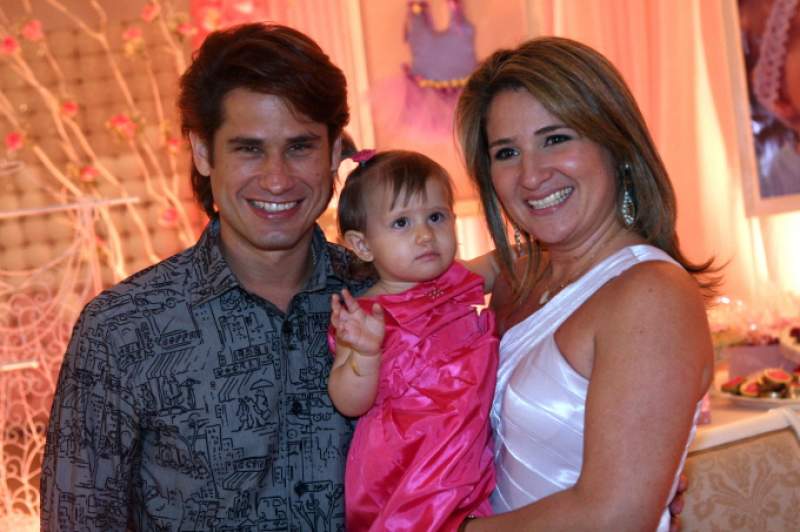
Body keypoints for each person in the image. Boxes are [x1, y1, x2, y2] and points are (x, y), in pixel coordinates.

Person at [40, 23, 370, 531]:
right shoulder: (120, 331)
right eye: (249, 149)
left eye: (299, 147)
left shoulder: (383, 300)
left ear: (332, 155)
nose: (277, 178)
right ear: (202, 152)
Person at [454, 36, 715, 531]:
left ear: (616, 145)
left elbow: (616, 515)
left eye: (555, 139)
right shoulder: (514, 279)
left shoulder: (651, 294)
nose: (531, 175)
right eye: (507, 152)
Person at [326, 150, 498, 531]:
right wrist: (365, 354)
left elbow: (507, 263)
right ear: (363, 245)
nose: (425, 235)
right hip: (406, 467)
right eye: (401, 222)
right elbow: (348, 401)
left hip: (467, 456)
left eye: (436, 217)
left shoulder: (456, 280)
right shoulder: (364, 317)